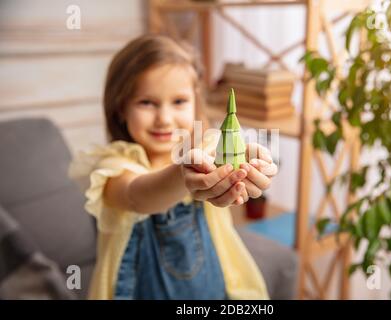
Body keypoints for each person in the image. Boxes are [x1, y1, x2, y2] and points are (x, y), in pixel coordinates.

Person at [69, 35, 278, 300]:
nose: (164, 119)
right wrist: (184, 173)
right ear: (120, 108)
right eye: (147, 102)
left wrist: (253, 164)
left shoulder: (207, 145)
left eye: (178, 101)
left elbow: (229, 158)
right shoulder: (114, 165)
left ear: (195, 102)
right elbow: (137, 196)